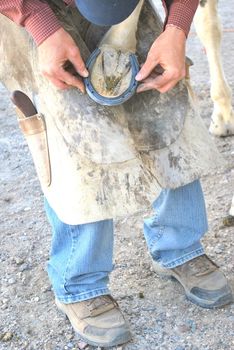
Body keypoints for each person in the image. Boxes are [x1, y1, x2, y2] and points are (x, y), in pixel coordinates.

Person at [0, 0, 233, 347]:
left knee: (165, 110)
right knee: (75, 135)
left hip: (130, 7)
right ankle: (80, 282)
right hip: (36, 7)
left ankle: (179, 245)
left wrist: (177, 28)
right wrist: (42, 26)